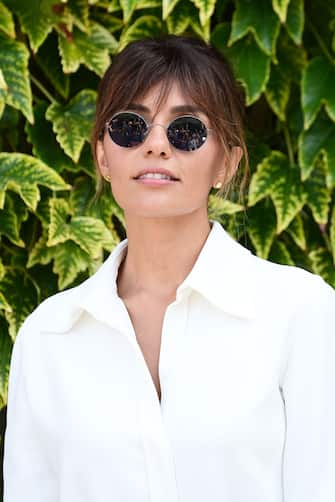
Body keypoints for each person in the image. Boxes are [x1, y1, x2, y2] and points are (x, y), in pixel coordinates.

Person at [3, 34, 335, 502]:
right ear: (102, 155)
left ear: (228, 161)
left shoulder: (300, 311)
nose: (156, 145)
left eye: (186, 130)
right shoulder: (48, 336)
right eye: (130, 127)